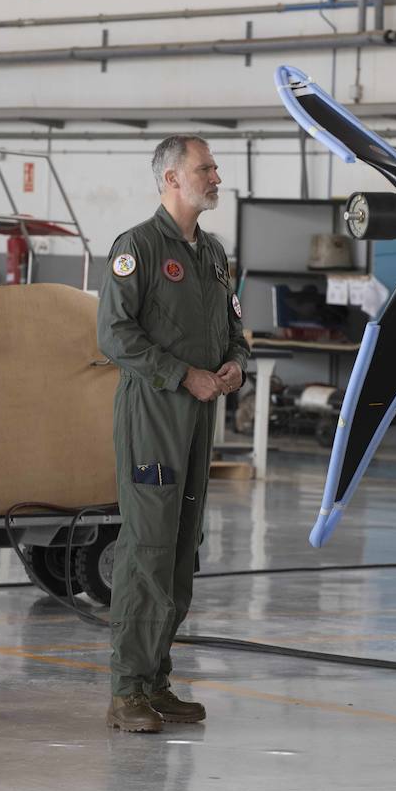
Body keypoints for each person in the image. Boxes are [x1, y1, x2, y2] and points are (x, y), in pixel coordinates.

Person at [97, 135, 251, 732]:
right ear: (171, 180)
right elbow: (114, 334)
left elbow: (233, 327)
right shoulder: (136, 247)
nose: (215, 176)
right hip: (155, 414)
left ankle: (156, 680)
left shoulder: (212, 253)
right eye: (204, 168)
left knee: (183, 550)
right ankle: (126, 689)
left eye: (213, 167)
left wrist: (235, 363)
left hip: (201, 413)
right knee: (148, 552)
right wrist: (182, 375)